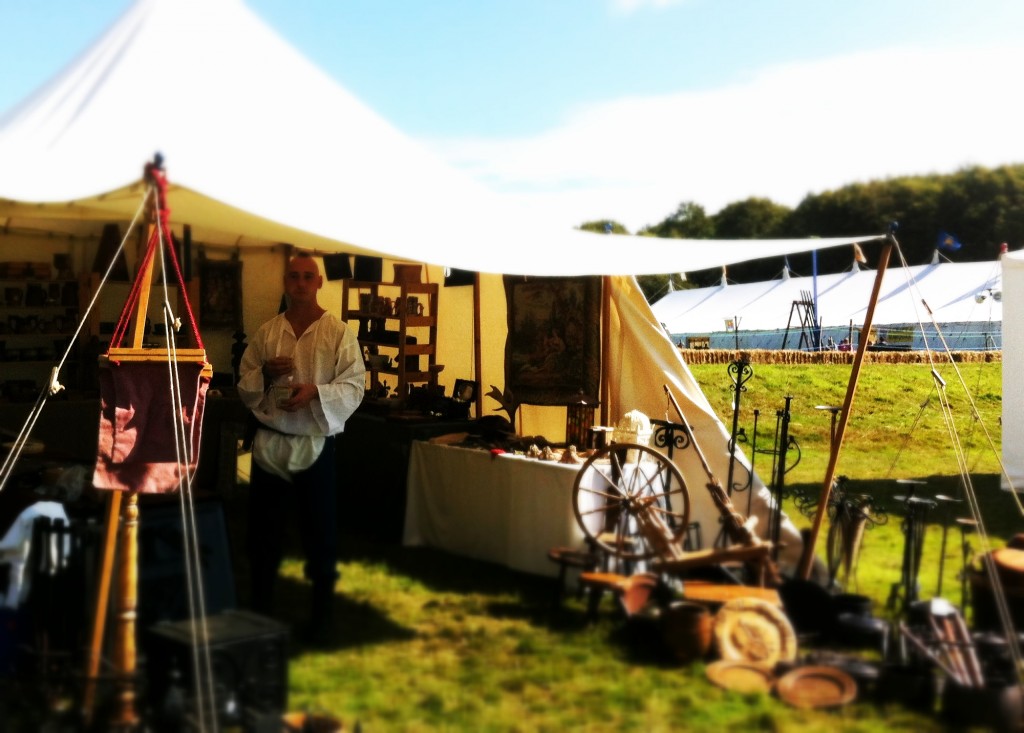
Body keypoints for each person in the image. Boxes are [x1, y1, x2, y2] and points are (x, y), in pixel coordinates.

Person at [237, 253, 365, 643]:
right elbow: (244, 381)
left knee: (319, 536)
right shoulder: (268, 332)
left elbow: (355, 384)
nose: (300, 283)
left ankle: (322, 619)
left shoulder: (338, 333)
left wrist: (316, 392)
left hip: (313, 442)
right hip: (270, 443)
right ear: (285, 282)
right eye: (293, 276)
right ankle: (259, 611)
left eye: (308, 276)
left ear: (320, 281)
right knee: (264, 534)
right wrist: (264, 373)